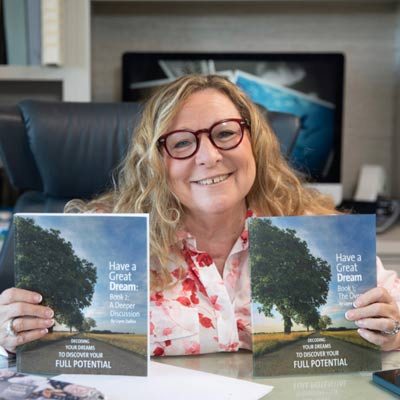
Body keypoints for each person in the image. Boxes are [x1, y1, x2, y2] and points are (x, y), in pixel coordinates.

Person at [1, 74, 400, 358]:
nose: (208, 156)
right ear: (156, 162)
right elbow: (30, 353)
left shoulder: (314, 229)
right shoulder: (100, 238)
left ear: (253, 142)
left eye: (225, 133)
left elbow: (392, 310)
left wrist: (390, 327)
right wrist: (10, 332)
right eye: (181, 143)